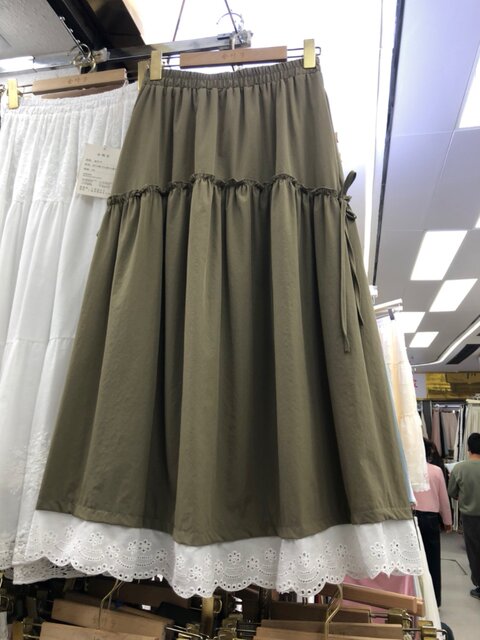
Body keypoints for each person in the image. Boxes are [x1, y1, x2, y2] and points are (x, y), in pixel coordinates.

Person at [414, 438, 452, 607]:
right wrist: (447, 521)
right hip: (430, 519)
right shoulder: (436, 471)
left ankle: (414, 598)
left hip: (411, 517)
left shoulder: (407, 471)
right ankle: (434, 599)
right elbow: (443, 498)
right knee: (433, 560)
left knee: (413, 559)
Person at [448, 432, 480, 600]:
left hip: (470, 517)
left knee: (474, 551)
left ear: (468, 448)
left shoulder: (459, 468)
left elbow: (452, 492)